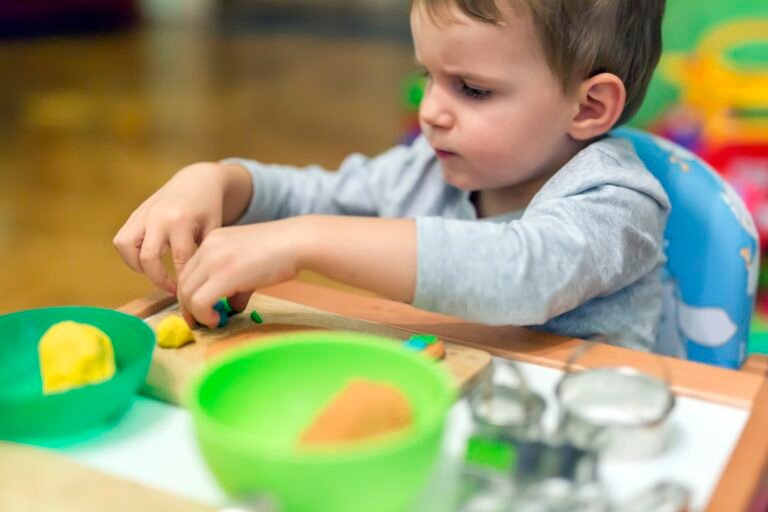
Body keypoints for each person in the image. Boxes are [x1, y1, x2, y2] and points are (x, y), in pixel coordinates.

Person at [114, 0, 669, 351]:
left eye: (472, 89)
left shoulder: (617, 200)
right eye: (428, 75)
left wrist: (306, 239)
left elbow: (524, 272)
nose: (430, 110)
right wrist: (215, 180)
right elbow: (310, 194)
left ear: (590, 106)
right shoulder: (424, 172)